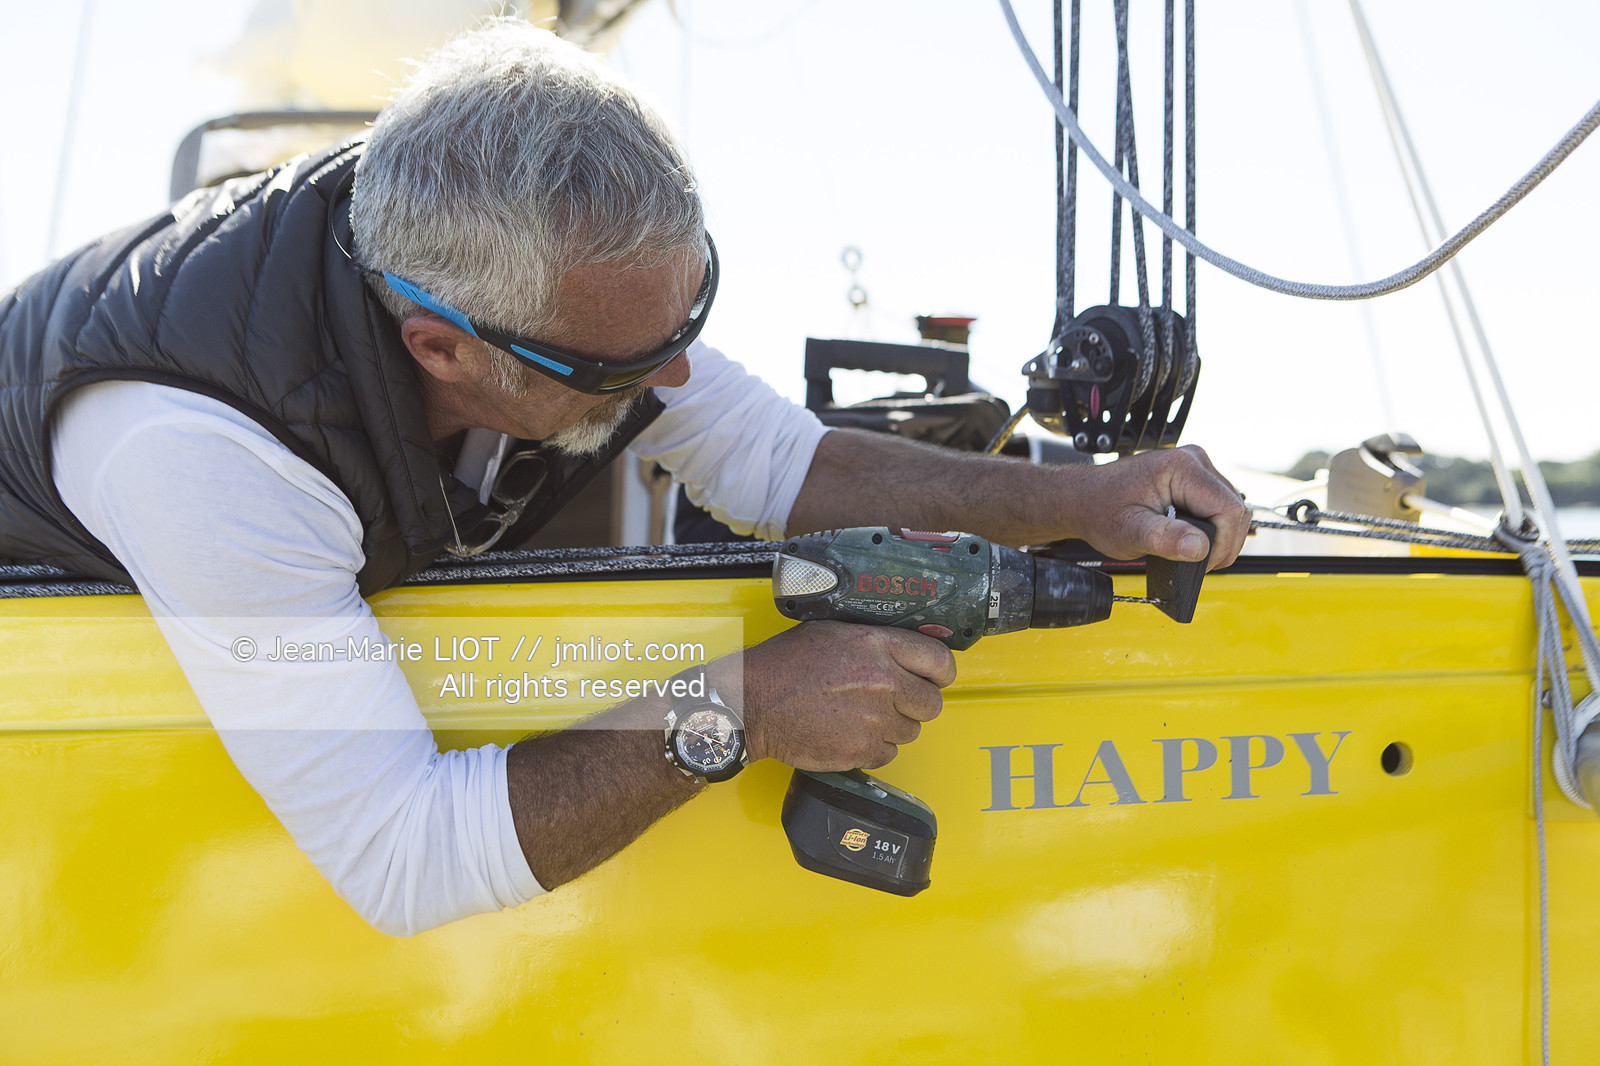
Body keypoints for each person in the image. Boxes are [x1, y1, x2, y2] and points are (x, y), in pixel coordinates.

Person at [0, 20, 1249, 935]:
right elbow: (399, 858)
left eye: (685, 319)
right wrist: (739, 710)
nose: (674, 378)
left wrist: (1076, 499)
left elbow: (768, 455)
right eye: (625, 365)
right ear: (439, 343)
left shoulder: (516, 266)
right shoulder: (204, 459)